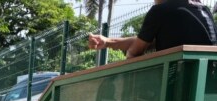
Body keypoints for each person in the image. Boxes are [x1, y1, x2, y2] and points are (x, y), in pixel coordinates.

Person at [88, 0, 216, 59]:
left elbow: (135, 52)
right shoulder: (203, 9)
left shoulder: (160, 11)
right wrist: (107, 42)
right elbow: (144, 42)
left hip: (179, 84)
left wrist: (130, 54)